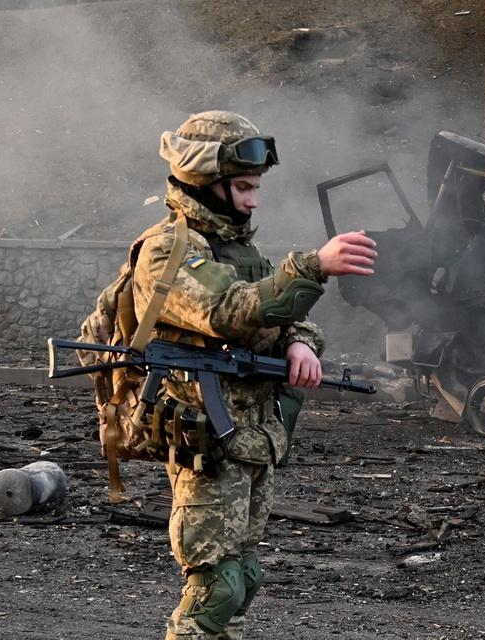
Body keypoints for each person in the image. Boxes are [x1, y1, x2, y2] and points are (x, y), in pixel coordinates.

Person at [134, 110, 376, 639]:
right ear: (204, 180)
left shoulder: (241, 251)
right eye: (243, 186)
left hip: (253, 440)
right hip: (209, 444)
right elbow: (225, 311)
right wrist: (312, 267)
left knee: (242, 579)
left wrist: (300, 347)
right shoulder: (167, 250)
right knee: (214, 590)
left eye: (256, 186)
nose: (253, 199)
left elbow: (291, 320)